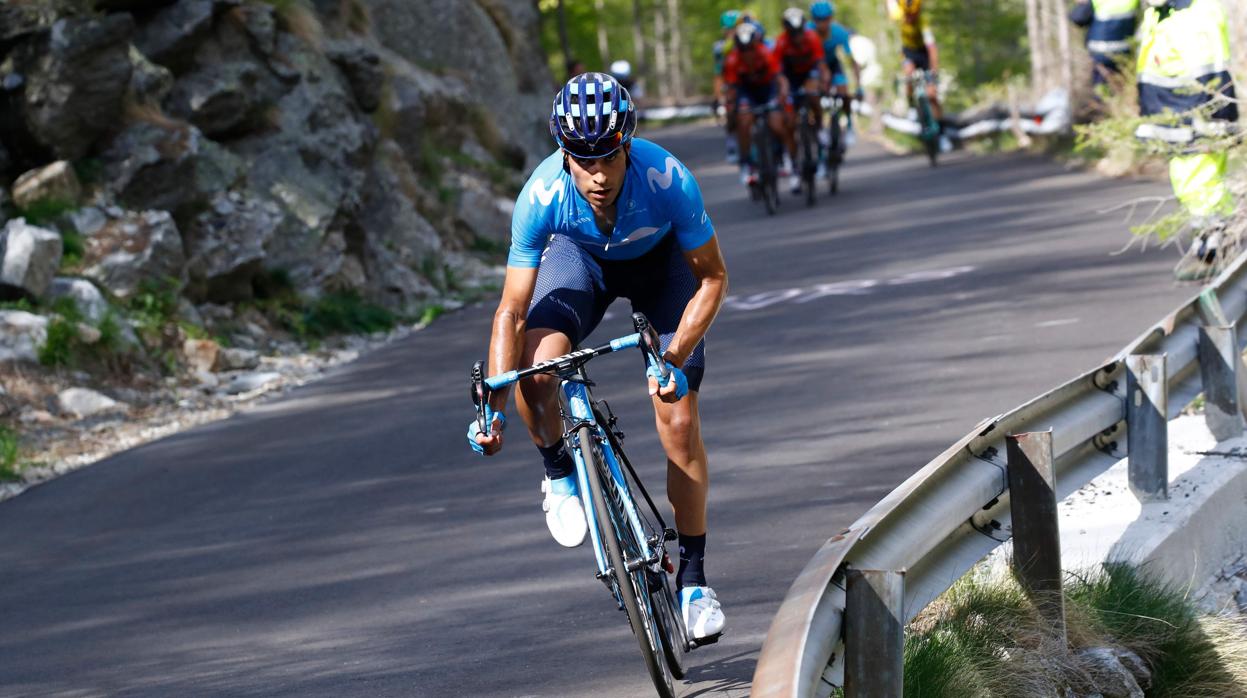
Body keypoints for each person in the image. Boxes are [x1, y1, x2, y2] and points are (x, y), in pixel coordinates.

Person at [468, 72, 729, 642]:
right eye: (581, 159)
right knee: (536, 372)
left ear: (627, 144)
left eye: (608, 156)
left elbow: (712, 278)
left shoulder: (666, 179)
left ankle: (693, 580)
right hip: (579, 261)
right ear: (564, 153)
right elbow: (510, 312)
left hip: (662, 267)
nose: (598, 174)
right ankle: (559, 470)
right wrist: (490, 404)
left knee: (677, 415)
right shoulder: (540, 196)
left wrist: (674, 356)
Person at [1133, 0, 1238, 280]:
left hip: (1194, 117)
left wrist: (1210, 123)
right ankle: (1207, 243)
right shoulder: (1163, 13)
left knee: (1202, 180)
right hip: (1170, 114)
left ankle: (1218, 246)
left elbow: (1209, 76)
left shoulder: (1197, 14)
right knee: (1186, 180)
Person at [723, 21, 797, 189]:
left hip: (767, 89)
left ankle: (788, 159)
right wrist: (730, 108)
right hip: (746, 92)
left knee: (777, 123)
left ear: (756, 45)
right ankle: (746, 163)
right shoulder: (733, 60)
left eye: (750, 48)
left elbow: (781, 79)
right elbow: (732, 89)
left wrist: (783, 95)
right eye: (743, 50)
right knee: (744, 121)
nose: (748, 54)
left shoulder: (765, 53)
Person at [775, 7, 830, 193]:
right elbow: (777, 72)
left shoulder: (812, 38)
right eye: (793, 33)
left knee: (813, 94)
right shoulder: (781, 43)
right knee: (789, 123)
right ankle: (795, 169)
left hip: (808, 74)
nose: (797, 37)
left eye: (799, 32)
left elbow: (821, 64)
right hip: (789, 77)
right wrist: (783, 89)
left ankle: (821, 128)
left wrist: (824, 81)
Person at [810, 1, 864, 172]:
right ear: (813, 20)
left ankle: (848, 126)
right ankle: (818, 132)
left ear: (830, 18)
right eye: (818, 20)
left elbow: (851, 61)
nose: (821, 24)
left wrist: (859, 85)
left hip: (833, 66)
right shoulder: (808, 33)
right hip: (814, 68)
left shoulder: (839, 32)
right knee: (813, 98)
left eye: (825, 19)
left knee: (843, 91)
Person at [886, 0, 943, 126]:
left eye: (914, 14)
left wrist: (933, 72)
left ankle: (941, 128)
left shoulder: (923, 23)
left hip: (924, 54)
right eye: (908, 14)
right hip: (909, 52)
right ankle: (911, 106)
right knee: (909, 75)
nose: (910, 18)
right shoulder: (899, 15)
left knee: (932, 94)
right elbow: (890, 5)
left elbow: (932, 49)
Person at [1069, 0, 1139, 89]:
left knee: (1102, 90)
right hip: (1124, 54)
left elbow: (1078, 18)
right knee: (1120, 87)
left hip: (1101, 54)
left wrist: (1082, 4)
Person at [714, 10, 743, 163]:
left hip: (747, 81)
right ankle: (731, 142)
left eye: (734, 29)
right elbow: (718, 75)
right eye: (728, 29)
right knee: (729, 110)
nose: (731, 33)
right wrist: (719, 99)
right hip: (730, 83)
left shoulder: (749, 39)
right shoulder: (720, 48)